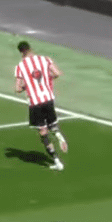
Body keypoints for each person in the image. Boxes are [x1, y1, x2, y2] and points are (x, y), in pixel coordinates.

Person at [13, 41, 67, 171]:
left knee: (43, 133)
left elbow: (17, 88)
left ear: (21, 52)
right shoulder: (45, 59)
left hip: (35, 103)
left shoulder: (20, 66)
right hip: (48, 99)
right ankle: (57, 133)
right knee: (52, 124)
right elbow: (57, 73)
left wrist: (27, 86)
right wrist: (47, 79)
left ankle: (57, 161)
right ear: (31, 49)